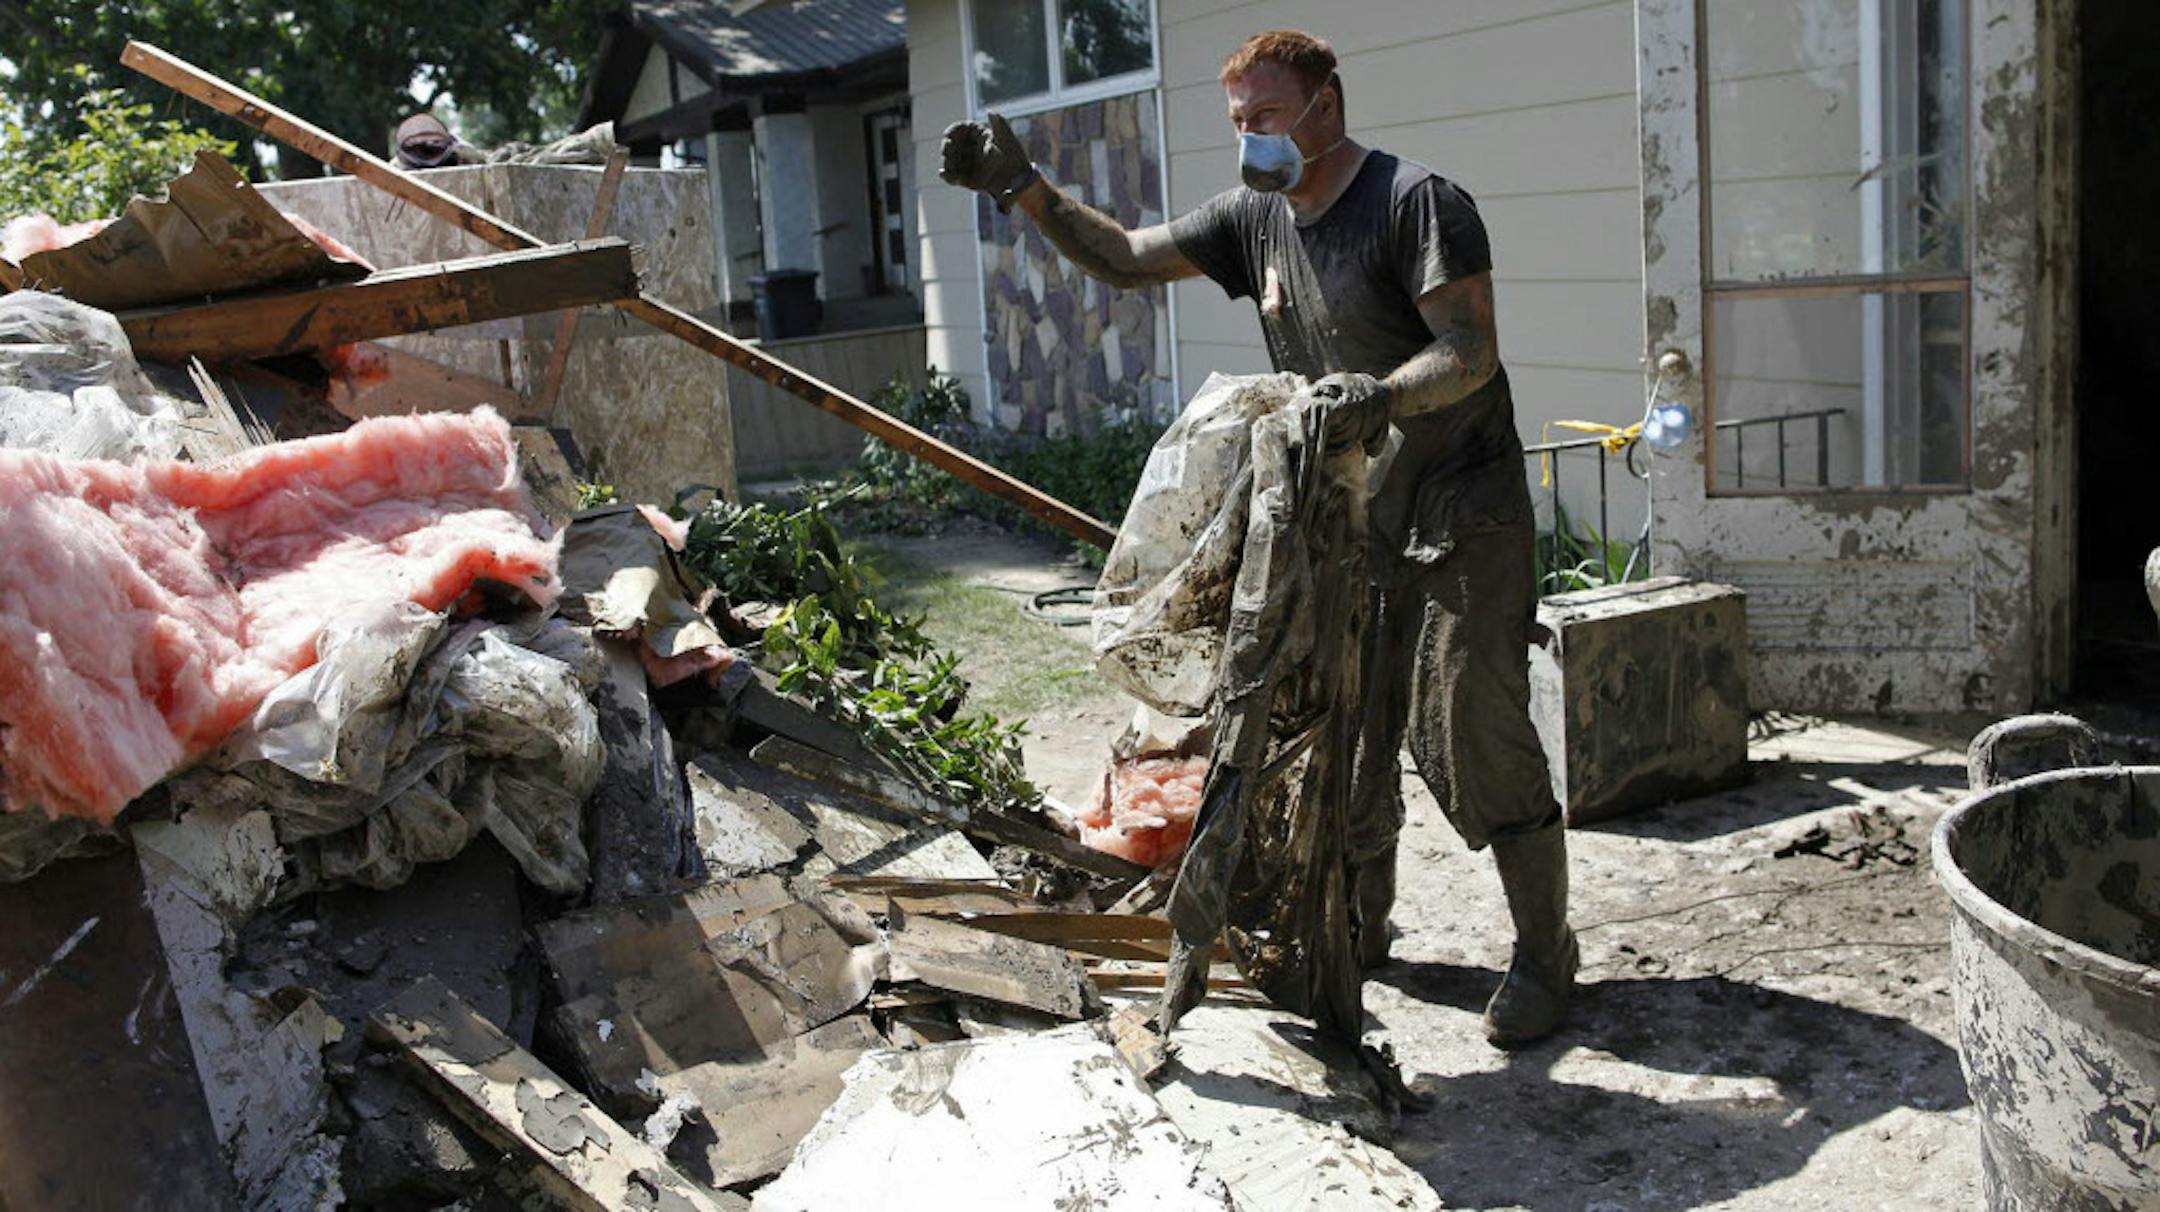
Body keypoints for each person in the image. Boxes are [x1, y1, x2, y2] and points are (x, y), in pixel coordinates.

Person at [939, 29, 1576, 1046]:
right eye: (1237, 121)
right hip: (1353, 513)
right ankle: (1361, 929)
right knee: (1343, 725)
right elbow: (1128, 261)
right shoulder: (1256, 219)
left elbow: (1470, 346)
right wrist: (1024, 188)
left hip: (1463, 502)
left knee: (1470, 721)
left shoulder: (1416, 203)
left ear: (1326, 106)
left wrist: (1380, 393)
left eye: (1266, 118)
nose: (1250, 140)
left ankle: (1547, 955)